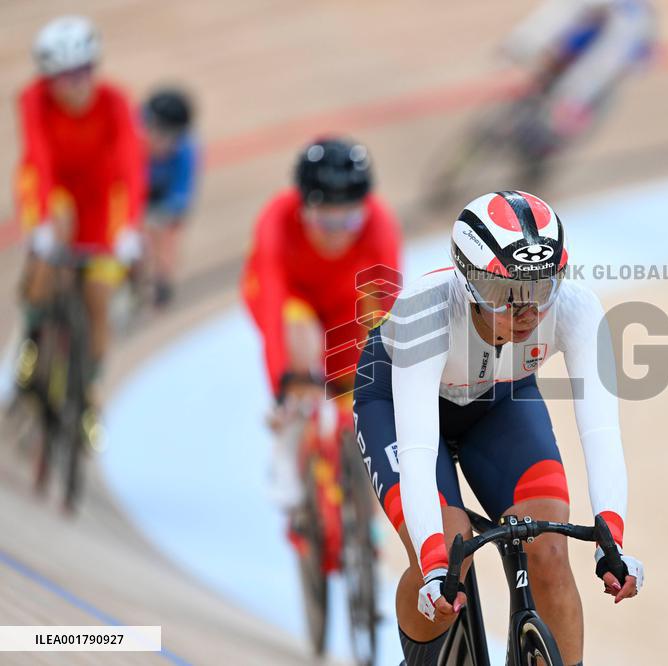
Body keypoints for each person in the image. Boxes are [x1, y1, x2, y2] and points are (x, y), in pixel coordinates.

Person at [353, 190, 645, 665]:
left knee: (549, 553)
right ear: (468, 284)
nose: (527, 312)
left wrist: (610, 537)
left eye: (542, 288)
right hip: (394, 403)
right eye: (504, 295)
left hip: (498, 401)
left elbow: (602, 434)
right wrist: (431, 568)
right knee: (451, 552)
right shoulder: (423, 314)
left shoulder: (576, 308)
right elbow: (419, 450)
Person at [242, 137, 401, 516]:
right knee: (302, 342)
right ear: (303, 209)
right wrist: (283, 384)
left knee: (364, 393)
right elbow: (273, 306)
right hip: (290, 302)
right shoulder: (276, 220)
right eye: (323, 220)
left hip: (346, 308)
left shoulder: (380, 225)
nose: (336, 233)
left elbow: (387, 312)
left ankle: (362, 520)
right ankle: (287, 444)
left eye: (348, 220)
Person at [15, 15, 145, 438]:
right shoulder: (33, 99)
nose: (76, 85)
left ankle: (88, 389)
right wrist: (43, 225)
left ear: (96, 67)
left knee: (99, 296)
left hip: (99, 198)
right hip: (54, 190)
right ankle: (31, 345)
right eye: (64, 77)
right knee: (46, 268)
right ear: (48, 79)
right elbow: (39, 157)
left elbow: (130, 166)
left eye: (84, 72)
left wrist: (127, 227)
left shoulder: (116, 102)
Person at [502, 0, 656, 157]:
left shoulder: (637, 16)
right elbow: (560, 12)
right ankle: (537, 108)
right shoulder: (636, 15)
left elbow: (628, 55)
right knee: (554, 66)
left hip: (600, 62)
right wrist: (526, 43)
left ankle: (555, 134)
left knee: (580, 92)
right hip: (581, 46)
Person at [142, 87, 199, 308]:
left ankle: (162, 280)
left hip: (163, 196)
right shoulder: (130, 134)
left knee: (165, 233)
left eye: (169, 137)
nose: (160, 142)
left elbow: (181, 198)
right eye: (154, 131)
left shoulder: (186, 151)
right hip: (136, 188)